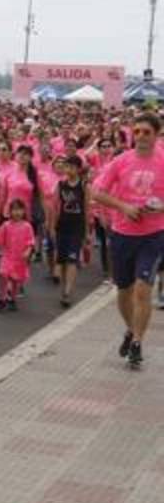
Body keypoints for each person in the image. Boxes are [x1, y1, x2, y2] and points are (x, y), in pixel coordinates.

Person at [92, 114, 164, 368]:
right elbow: (96, 191)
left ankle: (137, 343)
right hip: (123, 235)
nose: (141, 136)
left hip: (153, 236)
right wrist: (123, 207)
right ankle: (130, 329)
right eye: (137, 131)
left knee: (144, 289)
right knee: (124, 292)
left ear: (157, 133)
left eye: (146, 131)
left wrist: (161, 208)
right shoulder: (120, 161)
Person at [54, 155, 89, 307]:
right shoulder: (60, 185)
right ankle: (64, 288)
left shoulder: (84, 185)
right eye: (67, 166)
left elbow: (87, 209)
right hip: (62, 225)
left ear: (78, 169)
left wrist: (87, 232)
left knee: (72, 259)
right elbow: (56, 206)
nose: (69, 170)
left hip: (77, 227)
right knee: (62, 260)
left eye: (73, 167)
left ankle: (68, 291)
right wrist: (51, 226)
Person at [0, 200, 35, 313]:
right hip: (7, 256)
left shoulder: (27, 226)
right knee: (3, 274)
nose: (17, 212)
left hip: (19, 258)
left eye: (19, 209)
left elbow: (31, 242)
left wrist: (28, 251)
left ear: (24, 211)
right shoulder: (6, 225)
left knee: (15, 280)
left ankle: (13, 299)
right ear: (9, 212)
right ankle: (2, 298)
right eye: (14, 209)